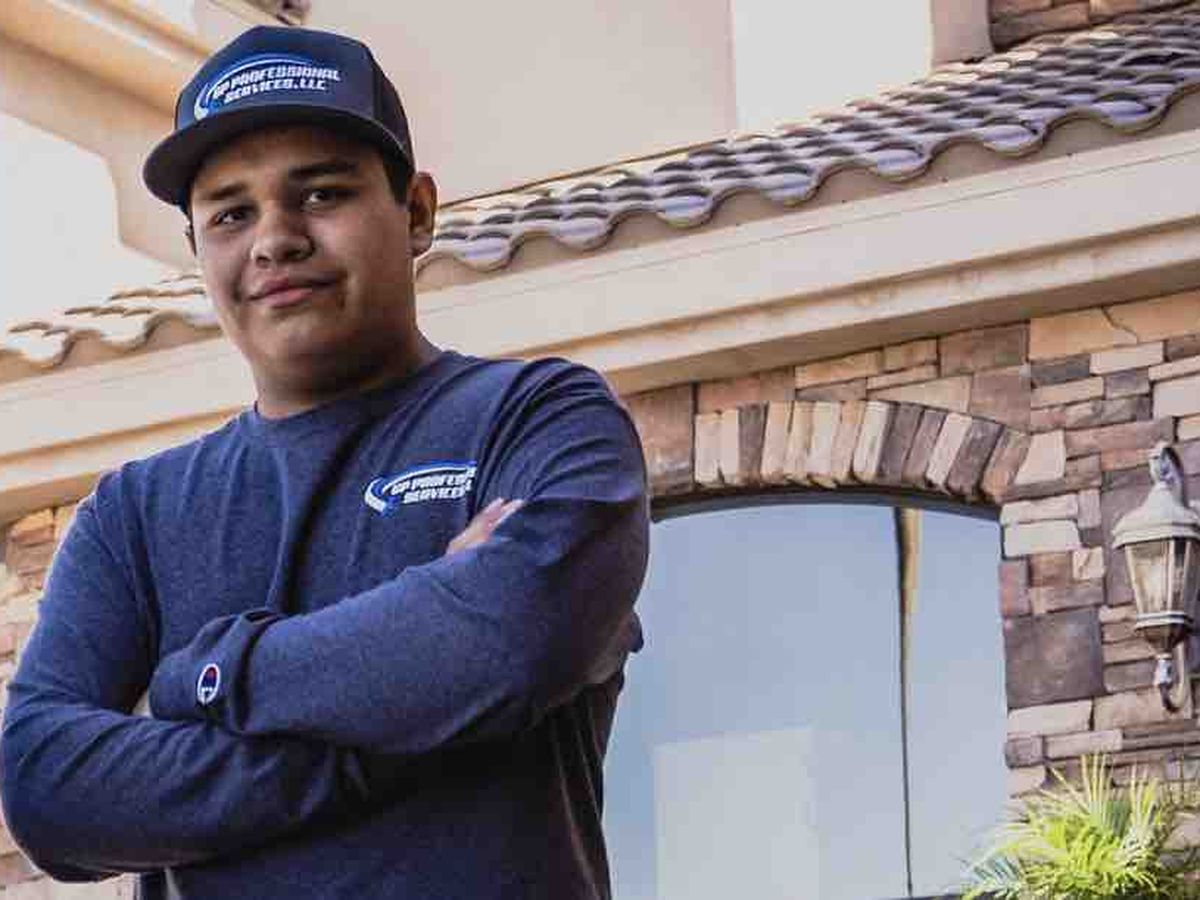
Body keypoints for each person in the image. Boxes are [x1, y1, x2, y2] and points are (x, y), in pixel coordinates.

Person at [0, 24, 648, 900]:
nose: (274, 239)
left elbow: (506, 644)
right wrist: (403, 725)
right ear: (197, 251)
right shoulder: (136, 515)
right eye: (231, 214)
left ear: (416, 212)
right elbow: (46, 789)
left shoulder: (539, 419)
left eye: (321, 193)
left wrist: (201, 677)